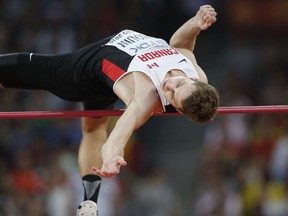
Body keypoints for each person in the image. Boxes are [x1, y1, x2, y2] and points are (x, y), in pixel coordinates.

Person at [0, 4, 219, 216]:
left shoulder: (145, 97)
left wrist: (112, 158)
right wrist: (195, 24)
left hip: (86, 72)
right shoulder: (197, 75)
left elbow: (116, 139)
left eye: (172, 96)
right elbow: (178, 45)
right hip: (111, 63)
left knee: (21, 70)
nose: (169, 86)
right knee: (93, 130)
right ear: (195, 80)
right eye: (179, 84)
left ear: (177, 108)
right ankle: (89, 203)